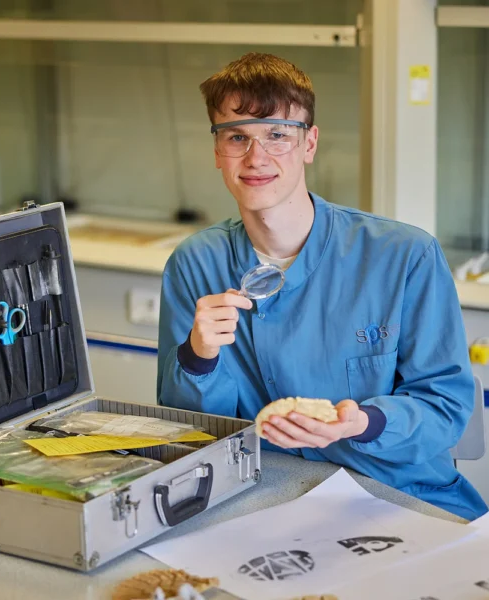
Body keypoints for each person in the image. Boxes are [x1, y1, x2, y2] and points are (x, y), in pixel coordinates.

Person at [156, 52, 487, 521]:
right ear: (217, 151)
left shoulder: (403, 256)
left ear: (309, 143)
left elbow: (446, 407)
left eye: (276, 135)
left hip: (396, 494)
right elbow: (192, 431)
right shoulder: (196, 263)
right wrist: (198, 356)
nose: (256, 158)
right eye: (237, 137)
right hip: (265, 495)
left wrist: (365, 423)